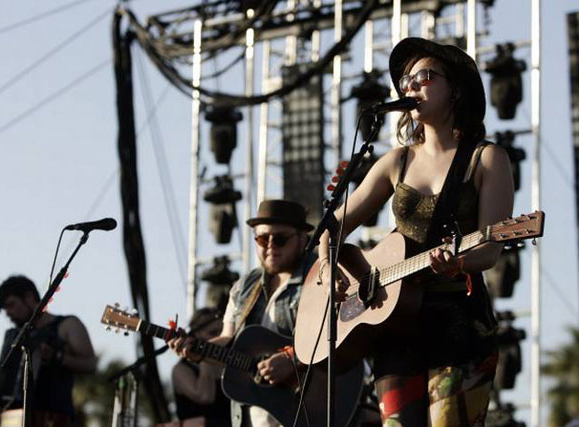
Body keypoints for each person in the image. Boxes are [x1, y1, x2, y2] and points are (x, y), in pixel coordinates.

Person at [318, 37, 514, 426]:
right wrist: (328, 269)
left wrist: (457, 262)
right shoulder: (396, 161)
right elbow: (331, 227)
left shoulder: (486, 158)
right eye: (407, 80)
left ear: (455, 88)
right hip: (395, 330)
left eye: (424, 76)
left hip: (459, 327)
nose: (411, 86)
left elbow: (491, 250)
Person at [168, 199, 315, 427]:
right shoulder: (245, 286)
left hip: (309, 408)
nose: (270, 246)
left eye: (280, 239)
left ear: (302, 238)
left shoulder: (319, 276)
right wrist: (197, 351)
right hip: (254, 415)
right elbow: (228, 340)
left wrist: (292, 359)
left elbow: (339, 335)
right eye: (263, 238)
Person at [0, 275, 97, 426]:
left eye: (11, 305)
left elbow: (91, 364)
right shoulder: (14, 336)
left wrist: (57, 357)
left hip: (54, 419)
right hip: (14, 419)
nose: (8, 313)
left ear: (29, 297)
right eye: (5, 309)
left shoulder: (67, 325)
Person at [171, 307, 231, 426]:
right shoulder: (181, 369)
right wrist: (203, 354)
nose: (219, 338)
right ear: (197, 334)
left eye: (221, 332)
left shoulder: (227, 362)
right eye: (213, 333)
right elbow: (205, 396)